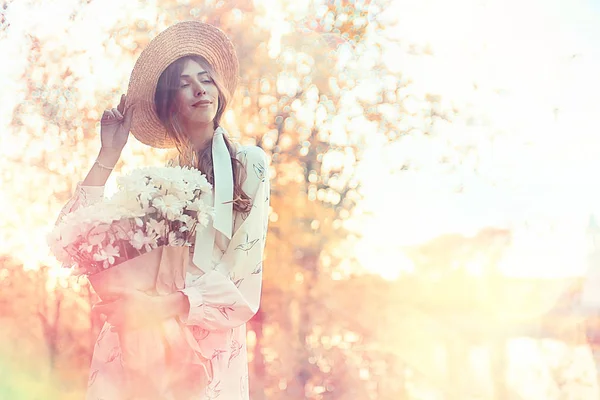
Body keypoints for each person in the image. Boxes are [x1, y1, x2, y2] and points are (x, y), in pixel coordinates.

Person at [54, 21, 270, 399]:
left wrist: (164, 307)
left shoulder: (247, 164)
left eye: (205, 78)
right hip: (140, 342)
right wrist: (108, 155)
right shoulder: (157, 183)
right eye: (184, 83)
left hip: (204, 343)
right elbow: (71, 236)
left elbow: (242, 275)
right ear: (169, 102)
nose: (199, 88)